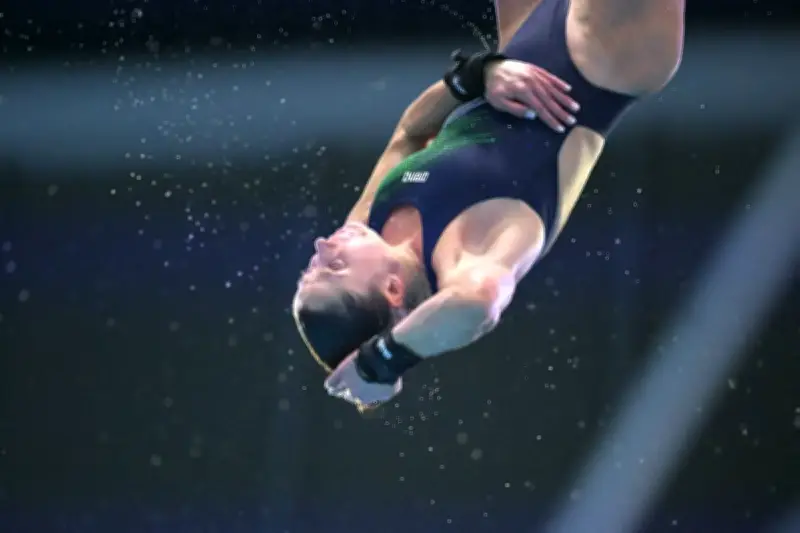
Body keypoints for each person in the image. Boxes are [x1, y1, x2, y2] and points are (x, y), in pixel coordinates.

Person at [293, 0, 685, 410]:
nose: (323, 245)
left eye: (310, 266)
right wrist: (382, 362)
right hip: (605, 56)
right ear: (392, 289)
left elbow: (409, 134)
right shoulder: (465, 255)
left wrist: (474, 77)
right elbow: (479, 302)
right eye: (334, 267)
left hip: (525, 37)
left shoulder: (368, 226)